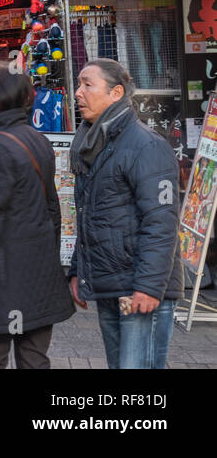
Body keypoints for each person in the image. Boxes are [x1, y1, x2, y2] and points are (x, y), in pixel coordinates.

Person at [0, 63, 75, 368]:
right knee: (34, 359)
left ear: (6, 96)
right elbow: (53, 210)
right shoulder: (34, 137)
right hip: (39, 274)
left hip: (4, 275)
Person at [70, 59, 184, 369]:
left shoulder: (146, 146)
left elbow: (161, 223)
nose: (78, 92)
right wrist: (78, 271)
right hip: (111, 285)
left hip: (139, 289)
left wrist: (148, 286)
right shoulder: (93, 143)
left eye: (87, 84)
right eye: (79, 84)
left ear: (116, 92)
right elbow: (89, 215)